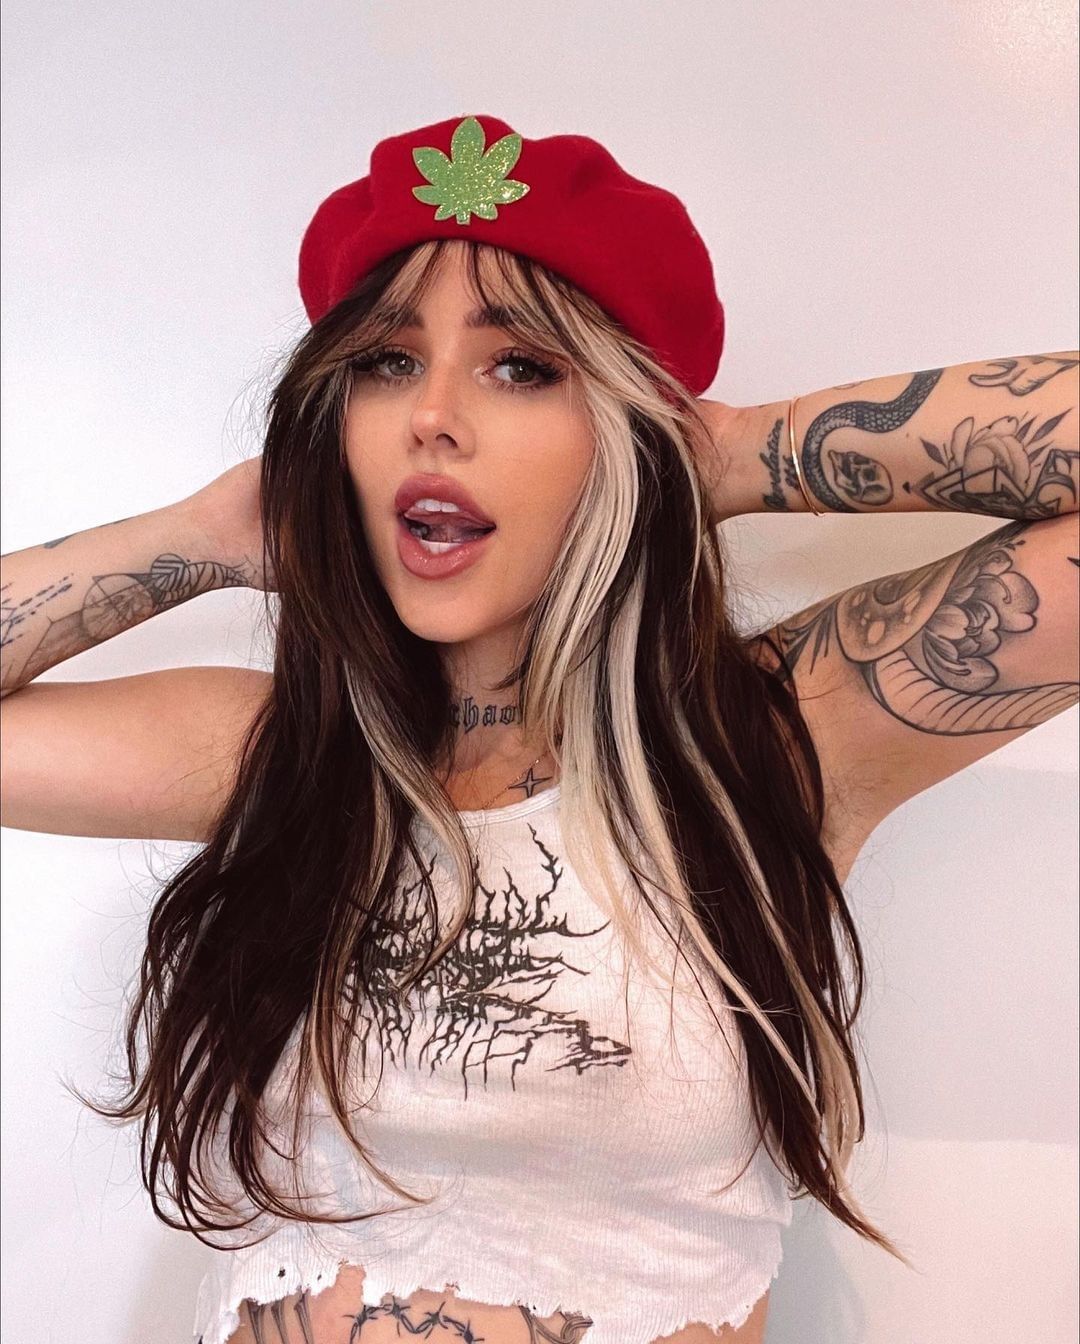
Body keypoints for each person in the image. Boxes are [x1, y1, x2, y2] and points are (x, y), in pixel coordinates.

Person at [1, 113, 1077, 1344]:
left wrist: (731, 453)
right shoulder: (281, 754)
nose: (432, 417)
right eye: (385, 363)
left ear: (623, 428)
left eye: (521, 367)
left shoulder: (773, 740)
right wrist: (199, 538)